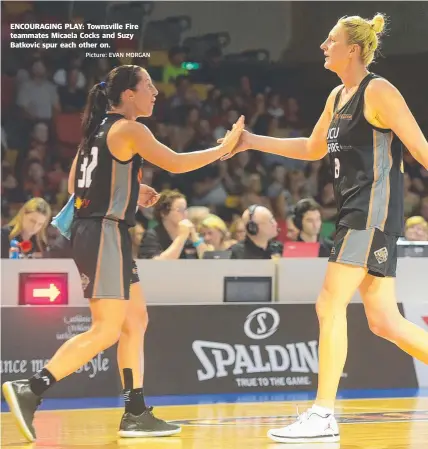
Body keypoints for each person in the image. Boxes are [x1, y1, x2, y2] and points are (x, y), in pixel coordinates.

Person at [2, 64, 244, 443]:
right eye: (149, 85)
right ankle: (31, 388)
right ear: (128, 94)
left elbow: (74, 184)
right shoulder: (130, 128)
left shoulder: (94, 131)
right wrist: (222, 149)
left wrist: (131, 189)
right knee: (106, 329)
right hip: (105, 232)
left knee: (136, 320)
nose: (155, 92)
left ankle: (135, 412)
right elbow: (177, 163)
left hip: (98, 230)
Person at [222, 13, 428, 444]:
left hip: (371, 212)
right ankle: (322, 414)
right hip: (354, 213)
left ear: (353, 49)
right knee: (385, 321)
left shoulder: (380, 90)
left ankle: (322, 414)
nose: (322, 45)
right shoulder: (338, 96)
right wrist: (252, 141)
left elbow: (420, 149)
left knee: (328, 303)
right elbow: (313, 148)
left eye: (330, 40)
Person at [139, 190, 209, 259]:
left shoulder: (189, 236)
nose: (185, 213)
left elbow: (208, 261)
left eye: (185, 209)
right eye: (180, 210)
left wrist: (195, 237)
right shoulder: (151, 236)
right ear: (163, 213)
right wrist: (181, 237)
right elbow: (156, 266)